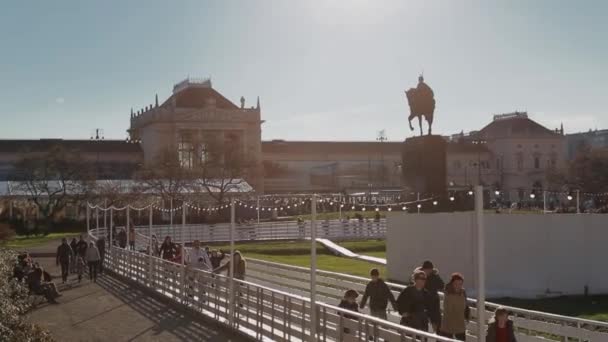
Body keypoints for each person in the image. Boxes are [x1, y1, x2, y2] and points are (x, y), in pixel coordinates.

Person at [413, 260, 444, 332]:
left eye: (430, 269)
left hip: (434, 303)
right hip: (423, 303)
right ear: (423, 269)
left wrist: (436, 279)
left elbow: (442, 285)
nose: (428, 271)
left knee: (436, 322)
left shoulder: (435, 277)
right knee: (423, 324)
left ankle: (437, 336)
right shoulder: (419, 276)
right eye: (427, 269)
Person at [439, 273, 470, 341]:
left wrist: (467, 316)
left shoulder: (463, 292)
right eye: (456, 284)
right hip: (448, 325)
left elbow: (466, 305)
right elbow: (447, 310)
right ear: (452, 283)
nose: (458, 286)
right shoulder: (448, 293)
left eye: (460, 284)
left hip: (460, 325)